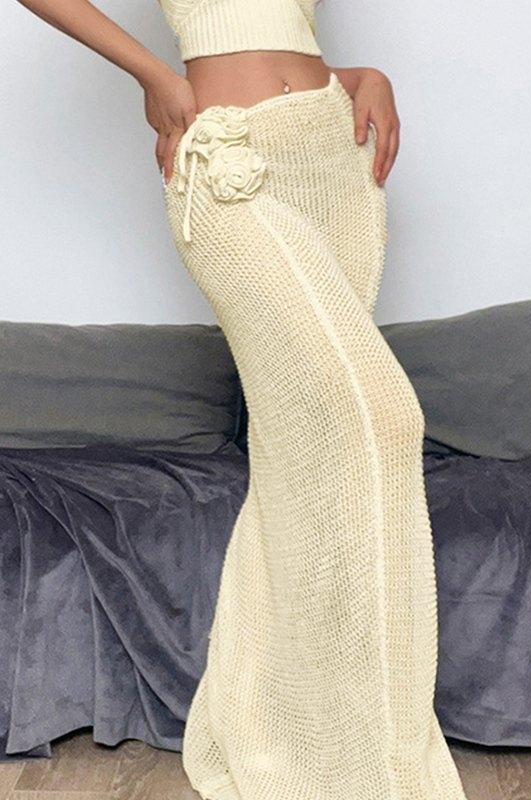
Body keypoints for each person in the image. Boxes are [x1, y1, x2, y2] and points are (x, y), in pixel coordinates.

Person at [16, 1, 468, 798]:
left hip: (330, 153)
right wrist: (153, 75)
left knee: (309, 463)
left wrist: (360, 75)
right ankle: (368, 768)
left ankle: (304, 735)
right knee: (384, 419)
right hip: (230, 157)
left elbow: (278, 28)